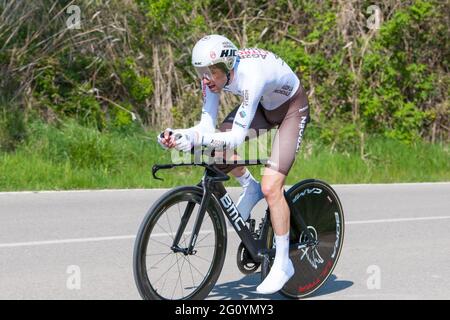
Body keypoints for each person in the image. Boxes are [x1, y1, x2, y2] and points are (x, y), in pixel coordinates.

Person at [157, 34, 310, 295]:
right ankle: (250, 187)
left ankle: (284, 262)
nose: (205, 78)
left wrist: (195, 139)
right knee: (217, 151)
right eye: (201, 72)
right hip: (264, 105)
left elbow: (237, 137)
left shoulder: (251, 76)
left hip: (291, 110)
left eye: (210, 73)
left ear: (228, 68)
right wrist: (180, 135)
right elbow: (206, 126)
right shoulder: (214, 78)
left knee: (272, 186)